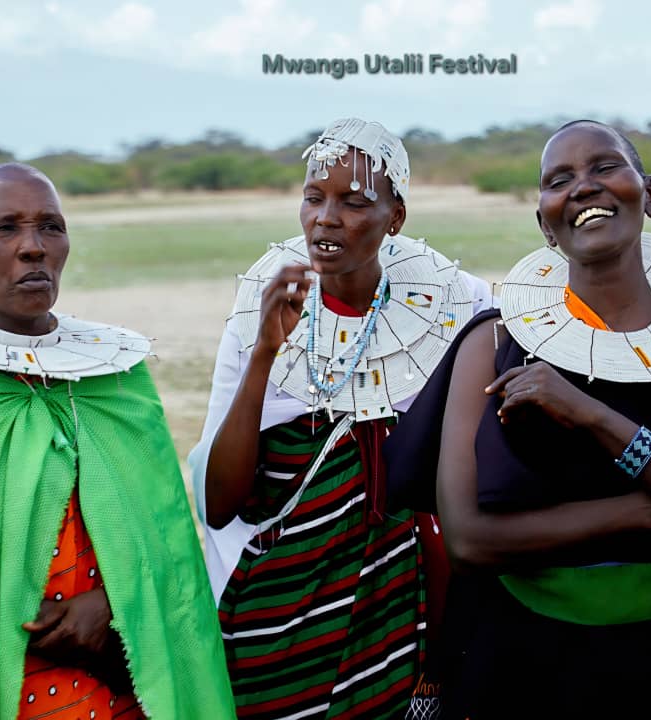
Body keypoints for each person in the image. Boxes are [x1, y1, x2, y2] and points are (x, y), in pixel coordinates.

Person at [384, 120, 651, 720]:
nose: (583, 188)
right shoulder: (493, 341)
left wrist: (592, 416)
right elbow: (469, 541)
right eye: (559, 180)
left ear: (648, 194)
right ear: (545, 223)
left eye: (604, 168)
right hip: (518, 658)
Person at [0, 163, 236, 719]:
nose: (33, 248)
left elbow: (164, 552)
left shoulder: (115, 377)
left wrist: (117, 607)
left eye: (50, 226)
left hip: (118, 688)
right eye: (4, 229)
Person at [188, 118, 490, 718]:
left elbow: (473, 475)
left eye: (354, 202)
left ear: (394, 216)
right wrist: (265, 352)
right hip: (277, 610)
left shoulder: (459, 307)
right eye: (313, 198)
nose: (326, 218)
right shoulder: (263, 302)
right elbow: (218, 504)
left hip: (410, 615)